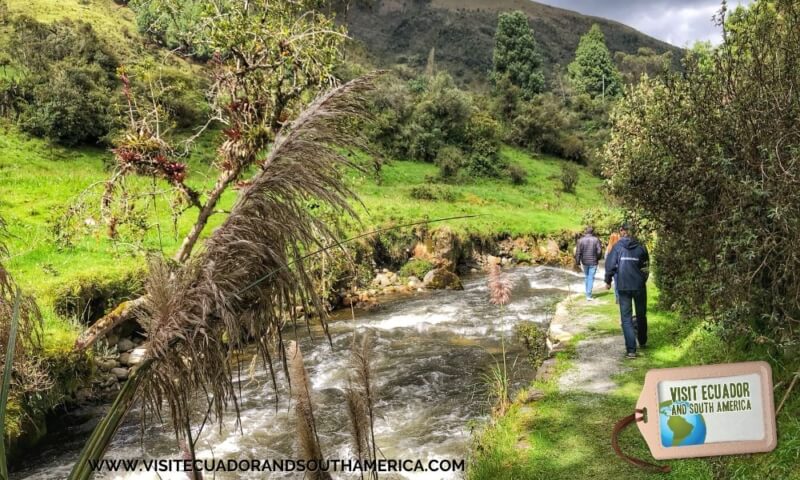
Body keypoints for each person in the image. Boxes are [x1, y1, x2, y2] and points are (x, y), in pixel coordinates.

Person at [604, 223, 649, 359]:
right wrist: (643, 279)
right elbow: (646, 267)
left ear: (622, 232)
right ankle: (642, 341)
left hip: (623, 286)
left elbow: (610, 265)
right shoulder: (641, 246)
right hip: (639, 286)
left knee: (626, 318)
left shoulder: (617, 247)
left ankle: (631, 351)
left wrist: (608, 280)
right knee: (641, 314)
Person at [575, 226, 602, 301]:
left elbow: (578, 252)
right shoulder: (596, 240)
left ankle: (587, 293)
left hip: (584, 261)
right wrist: (598, 258)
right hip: (593, 261)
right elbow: (599, 251)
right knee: (590, 277)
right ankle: (588, 295)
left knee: (587, 277)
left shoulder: (580, 240)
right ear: (592, 232)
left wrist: (577, 262)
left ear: (586, 232)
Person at [606, 230, 621, 303]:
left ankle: (617, 298)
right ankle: (620, 297)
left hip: (613, 268)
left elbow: (606, 260)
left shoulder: (609, 248)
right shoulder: (621, 247)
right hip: (621, 267)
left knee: (616, 283)